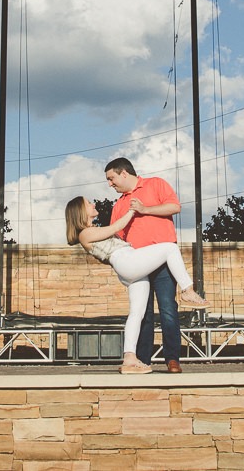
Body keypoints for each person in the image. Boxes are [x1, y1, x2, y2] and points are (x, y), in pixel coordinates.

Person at [64, 196, 206, 373]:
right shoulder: (85, 233)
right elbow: (117, 227)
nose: (93, 204)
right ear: (80, 212)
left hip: (127, 264)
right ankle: (188, 290)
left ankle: (130, 358)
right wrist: (133, 210)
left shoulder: (91, 232)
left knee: (136, 314)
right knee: (170, 248)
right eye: (88, 204)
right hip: (126, 260)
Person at [104, 156, 189, 373]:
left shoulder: (156, 184)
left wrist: (145, 209)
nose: (110, 184)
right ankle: (142, 360)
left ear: (124, 173)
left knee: (168, 308)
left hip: (162, 261)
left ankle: (173, 359)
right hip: (138, 263)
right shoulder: (119, 205)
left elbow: (175, 207)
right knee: (142, 312)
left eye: (111, 178)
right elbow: (116, 237)